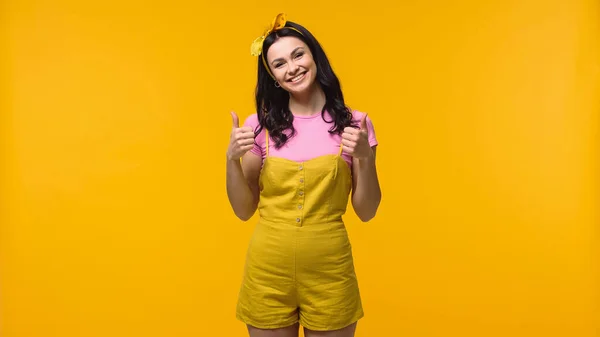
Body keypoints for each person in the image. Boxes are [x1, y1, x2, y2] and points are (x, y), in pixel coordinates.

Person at [226, 13, 382, 337]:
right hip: (267, 273)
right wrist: (231, 159)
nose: (292, 67)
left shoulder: (356, 124)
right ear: (273, 77)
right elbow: (243, 210)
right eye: (279, 63)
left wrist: (364, 158)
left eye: (298, 55)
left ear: (314, 56)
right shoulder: (259, 126)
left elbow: (367, 211)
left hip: (331, 273)